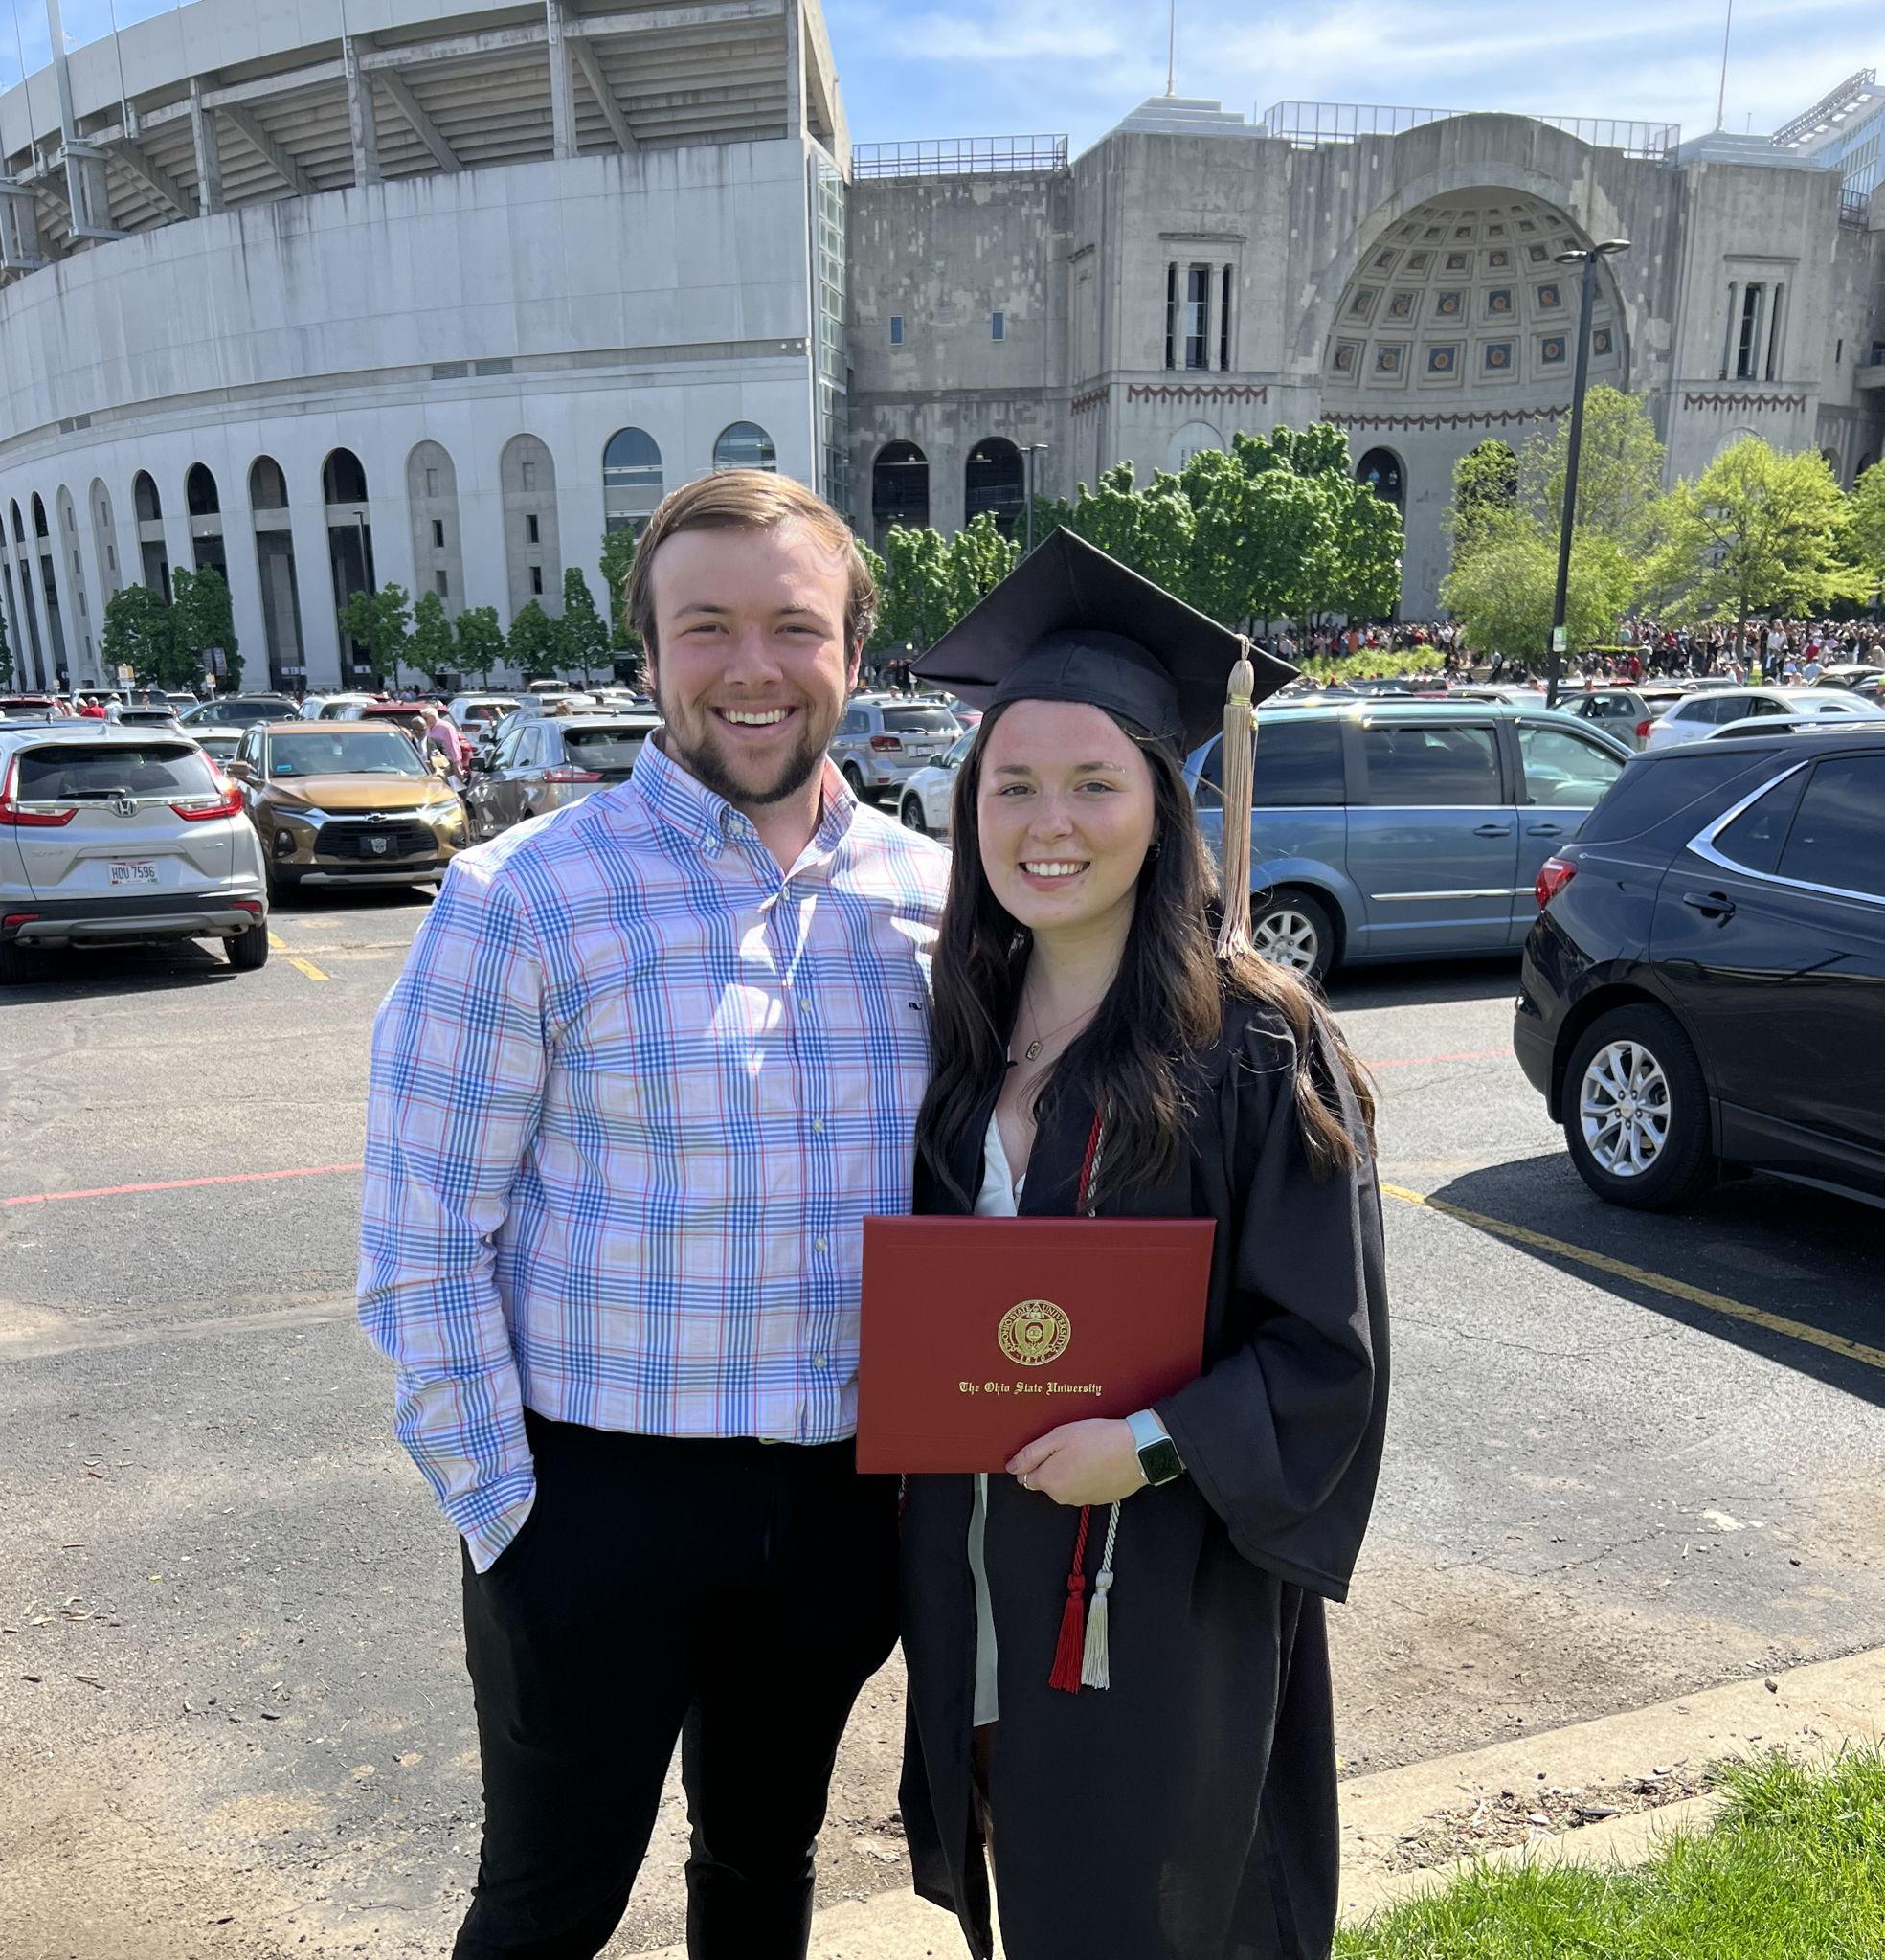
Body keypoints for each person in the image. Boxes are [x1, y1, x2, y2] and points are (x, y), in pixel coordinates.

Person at [357, 470, 948, 1960]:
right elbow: (423, 1239)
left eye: (793, 627)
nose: (753, 668)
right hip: (592, 1501)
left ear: (855, 655)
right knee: (551, 1899)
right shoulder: (523, 900)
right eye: (707, 628)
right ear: (651, 655)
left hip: (835, 1508)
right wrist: (508, 1513)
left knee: (766, 1859)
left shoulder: (938, 903)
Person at [898, 529, 1389, 1960]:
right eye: (1014, 784)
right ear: (971, 806)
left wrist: (1154, 1441)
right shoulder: (960, 1034)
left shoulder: (1252, 1044)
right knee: (1034, 1887)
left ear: (1164, 799)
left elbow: (1326, 1355)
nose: (1049, 821)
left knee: (1171, 1901)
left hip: (1160, 1591)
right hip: (982, 1568)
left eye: (1095, 781)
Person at [417, 702, 468, 783]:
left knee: (452, 785)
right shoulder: (428, 728)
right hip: (432, 764)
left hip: (446, 764)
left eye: (425, 719)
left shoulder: (446, 728)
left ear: (431, 717)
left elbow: (453, 746)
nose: (424, 721)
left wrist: (456, 765)